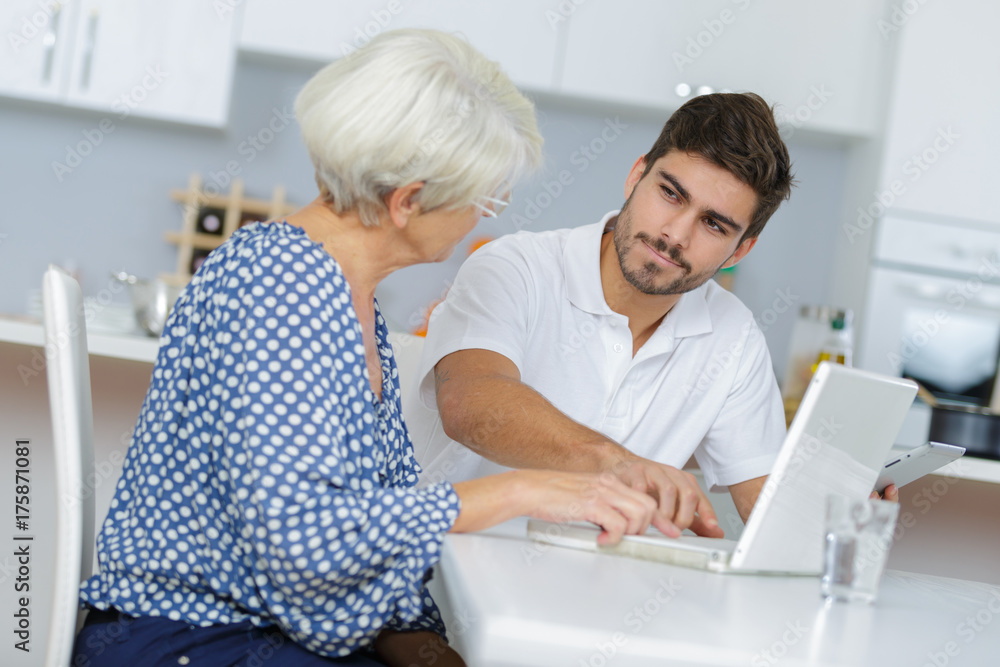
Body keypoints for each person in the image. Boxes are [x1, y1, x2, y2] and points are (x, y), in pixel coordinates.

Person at [72, 29, 661, 667]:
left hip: (264, 631)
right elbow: (302, 540)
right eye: (485, 200)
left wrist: (418, 641)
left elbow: (360, 518)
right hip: (191, 637)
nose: (483, 221)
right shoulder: (278, 284)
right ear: (408, 201)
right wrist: (520, 492)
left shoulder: (348, 294)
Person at [418, 92, 799, 538]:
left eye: (714, 225)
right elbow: (469, 403)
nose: (675, 235)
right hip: (447, 583)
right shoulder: (516, 267)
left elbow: (772, 514)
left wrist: (845, 519)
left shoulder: (735, 335)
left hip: (604, 597)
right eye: (671, 194)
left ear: (742, 249)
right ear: (636, 176)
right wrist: (619, 464)